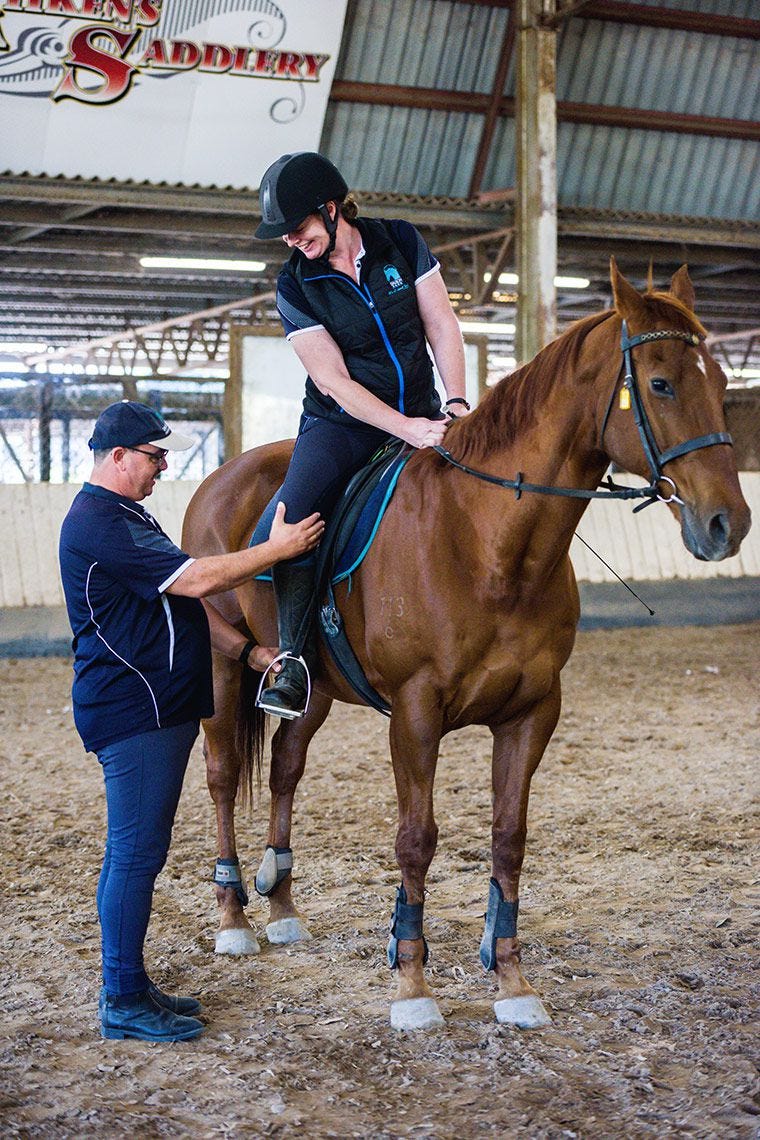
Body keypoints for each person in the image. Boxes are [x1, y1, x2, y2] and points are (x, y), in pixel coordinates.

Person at [58, 400, 323, 1042]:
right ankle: (122, 998)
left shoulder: (126, 517)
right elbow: (199, 579)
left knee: (138, 853)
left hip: (156, 707)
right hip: (135, 710)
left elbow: (186, 606)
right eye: (154, 456)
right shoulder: (100, 522)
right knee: (134, 854)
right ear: (118, 456)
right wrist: (276, 549)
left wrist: (250, 654)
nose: (162, 466)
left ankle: (132, 983)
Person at [253, 151, 469, 719]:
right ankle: (294, 662)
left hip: (426, 411)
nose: (291, 240)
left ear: (331, 209)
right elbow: (334, 381)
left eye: (297, 226)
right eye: (284, 234)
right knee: (292, 519)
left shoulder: (399, 240)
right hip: (341, 426)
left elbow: (441, 323)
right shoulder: (295, 285)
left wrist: (456, 403)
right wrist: (407, 429)